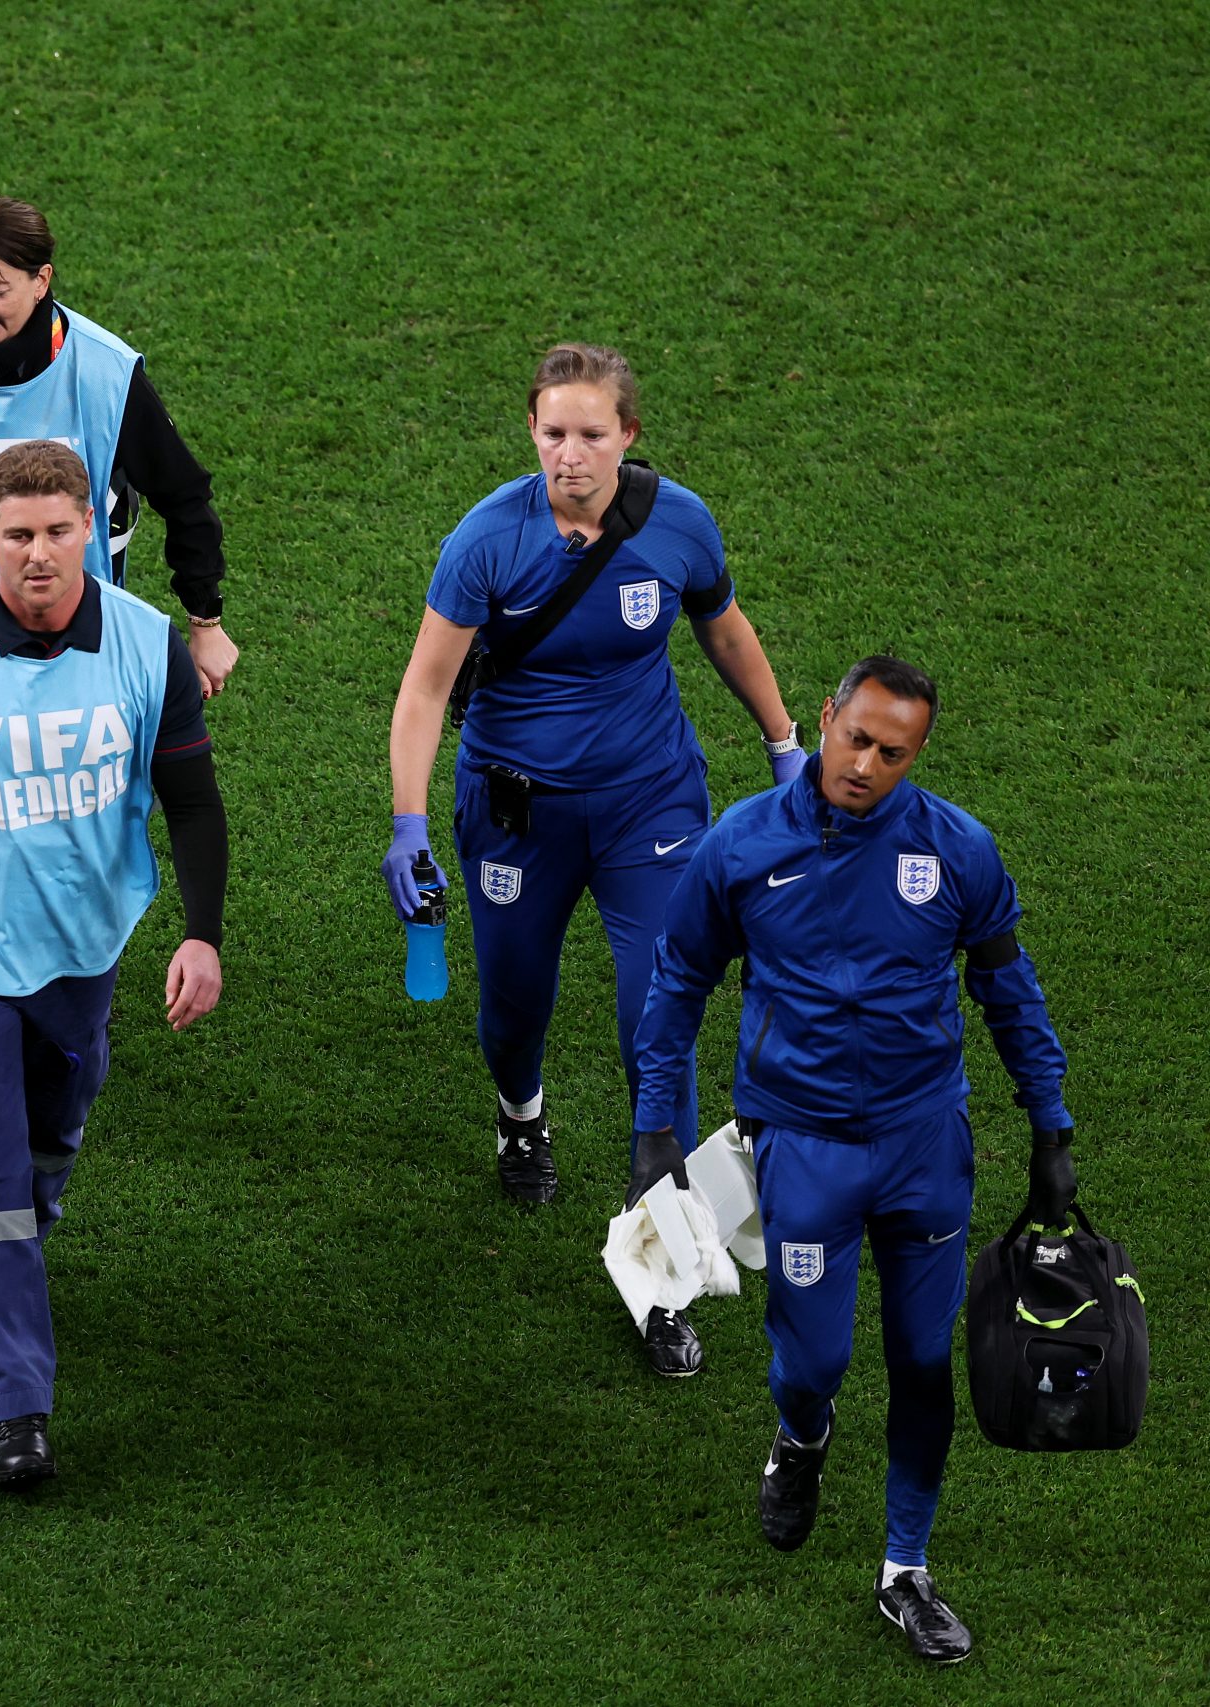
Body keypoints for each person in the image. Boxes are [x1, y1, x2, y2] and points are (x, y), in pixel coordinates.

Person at [627, 656, 1078, 1665]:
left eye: (891, 751)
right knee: (814, 1360)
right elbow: (678, 980)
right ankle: (799, 1439)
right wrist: (656, 1129)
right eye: (854, 738)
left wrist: (1049, 1127)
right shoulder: (740, 844)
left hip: (924, 1149)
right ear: (823, 718)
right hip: (803, 1150)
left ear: (918, 754)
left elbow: (1009, 988)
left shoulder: (957, 850)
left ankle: (904, 1573)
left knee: (924, 1365)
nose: (864, 764)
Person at [380, 342, 803, 1377]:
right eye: (552, 431)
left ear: (628, 435)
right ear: (531, 430)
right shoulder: (485, 541)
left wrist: (786, 745)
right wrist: (408, 821)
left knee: (654, 1023)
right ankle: (519, 1116)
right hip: (516, 814)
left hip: (649, 806)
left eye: (590, 433)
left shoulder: (679, 525)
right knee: (512, 1009)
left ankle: (661, 1282)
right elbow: (428, 687)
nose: (569, 452)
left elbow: (725, 632)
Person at [0, 441, 229, 1491]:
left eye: (57, 532)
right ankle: (15, 1409)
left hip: (85, 940)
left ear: (90, 534)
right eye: (16, 534)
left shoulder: (148, 647)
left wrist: (200, 932)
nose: (36, 555)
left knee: (54, 1126)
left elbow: (192, 802)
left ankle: (27, 1199)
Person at [0, 195, 241, 700]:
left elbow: (185, 496)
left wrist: (204, 619)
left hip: (66, 650)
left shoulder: (105, 372)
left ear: (41, 280)